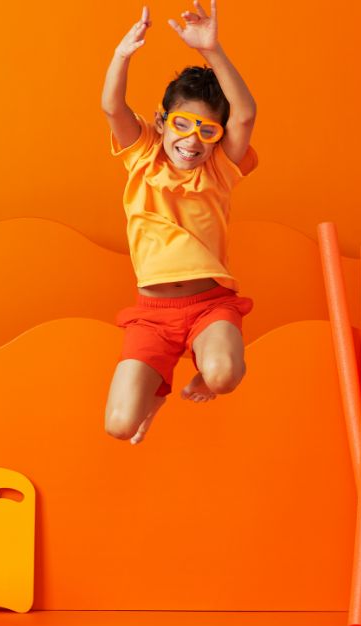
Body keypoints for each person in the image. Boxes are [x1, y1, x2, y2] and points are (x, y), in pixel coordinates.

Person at [101, 0, 258, 445]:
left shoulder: (220, 171)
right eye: (183, 125)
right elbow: (112, 107)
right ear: (161, 121)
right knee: (118, 426)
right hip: (152, 316)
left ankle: (202, 377)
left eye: (207, 131)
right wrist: (122, 56)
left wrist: (212, 50)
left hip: (209, 305)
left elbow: (244, 113)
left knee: (224, 374)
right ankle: (161, 388)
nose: (191, 140)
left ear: (218, 138)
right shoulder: (142, 155)